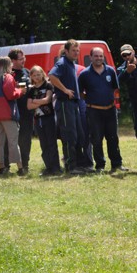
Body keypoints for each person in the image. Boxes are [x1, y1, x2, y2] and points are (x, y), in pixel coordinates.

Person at [79, 47, 127, 173]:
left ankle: (116, 164)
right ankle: (100, 166)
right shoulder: (84, 74)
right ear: (91, 58)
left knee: (113, 138)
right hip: (93, 111)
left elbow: (114, 89)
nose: (99, 58)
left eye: (101, 56)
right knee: (96, 139)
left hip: (110, 110)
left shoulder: (110, 71)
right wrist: (91, 100)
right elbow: (80, 93)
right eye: (96, 56)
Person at [49, 39, 90, 175]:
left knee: (79, 135)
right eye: (73, 50)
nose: (76, 53)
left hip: (73, 104)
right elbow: (52, 76)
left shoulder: (71, 63)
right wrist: (65, 90)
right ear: (66, 51)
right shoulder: (62, 63)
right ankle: (70, 166)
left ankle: (79, 164)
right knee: (69, 136)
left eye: (78, 51)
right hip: (64, 104)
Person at [117, 44, 137, 170]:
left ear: (133, 52)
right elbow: (117, 82)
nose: (126, 57)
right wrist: (127, 72)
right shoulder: (122, 68)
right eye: (124, 55)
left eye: (128, 54)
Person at [26, 65, 62, 176]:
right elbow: (29, 106)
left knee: (51, 143)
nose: (37, 77)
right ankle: (48, 167)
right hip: (38, 120)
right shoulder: (31, 89)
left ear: (43, 74)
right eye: (34, 75)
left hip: (49, 118)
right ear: (31, 76)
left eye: (39, 74)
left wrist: (35, 101)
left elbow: (47, 100)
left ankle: (56, 167)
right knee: (43, 144)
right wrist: (39, 102)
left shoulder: (48, 85)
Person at [0, 57, 26, 175]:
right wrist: (20, 91)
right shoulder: (8, 77)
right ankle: (20, 168)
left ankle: (2, 167)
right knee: (13, 141)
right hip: (7, 113)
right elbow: (10, 94)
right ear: (7, 65)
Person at [8, 48, 33, 172]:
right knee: (9, 139)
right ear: (12, 60)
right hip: (11, 112)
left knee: (25, 139)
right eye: (20, 59)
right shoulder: (7, 74)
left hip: (26, 112)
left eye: (24, 58)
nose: (23, 60)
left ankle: (25, 165)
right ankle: (6, 165)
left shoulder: (27, 72)